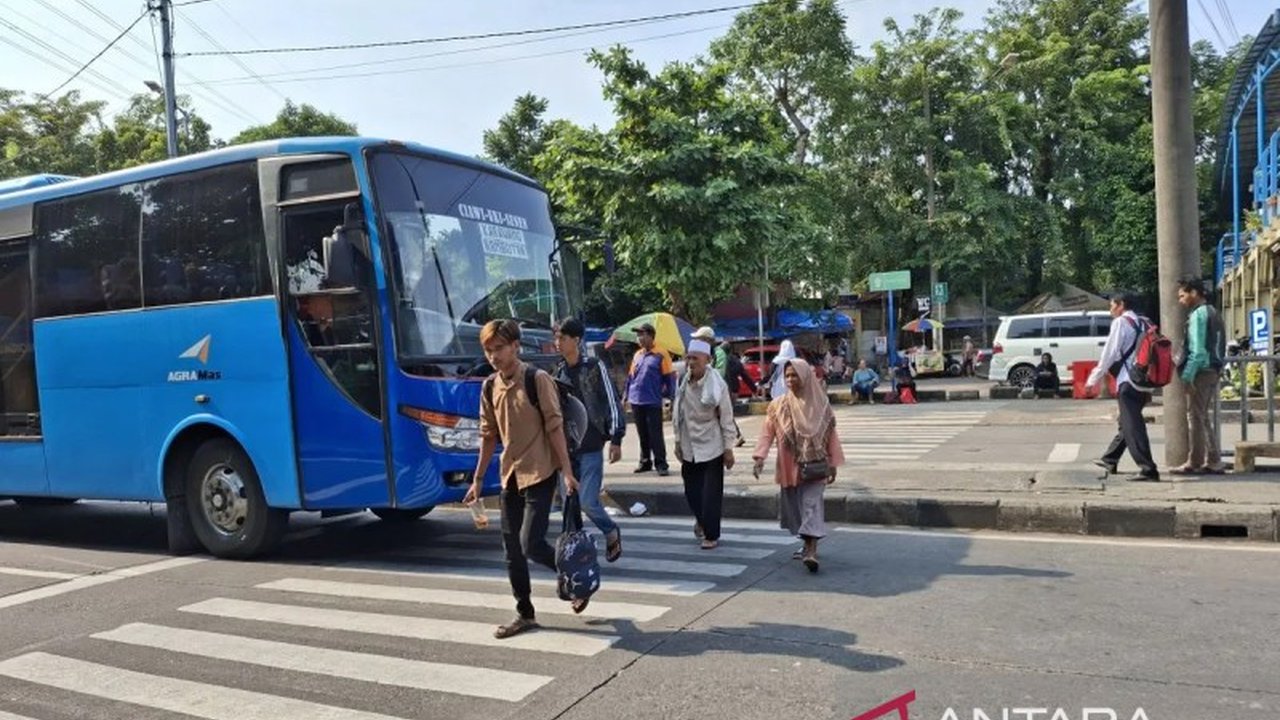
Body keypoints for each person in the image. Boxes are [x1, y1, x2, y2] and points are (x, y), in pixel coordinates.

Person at [465, 319, 582, 639]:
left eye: (499, 348)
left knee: (530, 542)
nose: (494, 356)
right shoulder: (490, 386)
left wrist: (567, 471)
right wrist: (476, 480)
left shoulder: (537, 379)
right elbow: (488, 435)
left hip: (541, 472)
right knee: (511, 551)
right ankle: (525, 613)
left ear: (516, 346)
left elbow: (555, 426)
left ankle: (573, 576)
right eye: (488, 350)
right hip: (510, 475)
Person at [752, 358, 844, 572]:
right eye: (788, 376)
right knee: (797, 509)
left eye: (795, 375)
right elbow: (767, 433)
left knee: (811, 505)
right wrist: (759, 457)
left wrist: (833, 463)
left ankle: (811, 550)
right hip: (789, 467)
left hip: (816, 467)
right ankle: (807, 544)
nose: (791, 379)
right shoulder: (778, 406)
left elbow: (831, 437)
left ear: (805, 377)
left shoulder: (821, 406)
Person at [553, 318, 626, 560]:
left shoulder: (594, 366)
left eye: (562, 338)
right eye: (557, 338)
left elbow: (611, 400)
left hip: (592, 445)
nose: (558, 343)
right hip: (567, 450)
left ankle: (610, 530)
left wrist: (617, 437)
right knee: (568, 505)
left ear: (576, 340)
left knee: (587, 501)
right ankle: (576, 554)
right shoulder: (558, 373)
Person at [1086, 292, 1159, 482]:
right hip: (1145, 382)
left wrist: (1092, 380)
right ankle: (1110, 459)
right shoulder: (1145, 321)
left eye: (1112, 305)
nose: (1110, 310)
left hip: (1128, 381)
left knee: (1133, 426)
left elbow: (1109, 354)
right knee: (1127, 422)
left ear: (1121, 305)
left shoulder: (1121, 323)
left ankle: (1148, 469)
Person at [672, 339, 737, 550]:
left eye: (695, 358)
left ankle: (711, 534)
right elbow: (677, 413)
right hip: (689, 445)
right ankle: (701, 519)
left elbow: (726, 417)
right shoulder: (683, 381)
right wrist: (677, 441)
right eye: (688, 358)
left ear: (708, 360)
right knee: (691, 492)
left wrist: (729, 448)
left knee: (710, 494)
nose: (691, 362)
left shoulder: (717, 384)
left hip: (712, 445)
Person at [1174, 278, 1226, 475]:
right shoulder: (1213, 312)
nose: (1180, 300)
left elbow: (1198, 352)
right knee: (1201, 416)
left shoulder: (1198, 316)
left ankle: (1195, 462)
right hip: (1212, 370)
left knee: (1195, 417)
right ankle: (1213, 460)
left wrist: (1187, 377)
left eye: (1182, 295)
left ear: (1194, 293)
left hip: (1201, 372)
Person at [625, 322, 676, 476]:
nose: (639, 338)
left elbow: (669, 378)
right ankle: (645, 461)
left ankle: (661, 463)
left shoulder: (661, 354)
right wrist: (625, 396)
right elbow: (630, 377)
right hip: (636, 399)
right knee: (642, 433)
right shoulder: (637, 355)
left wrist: (671, 398)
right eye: (638, 335)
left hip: (653, 400)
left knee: (656, 433)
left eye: (642, 334)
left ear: (651, 336)